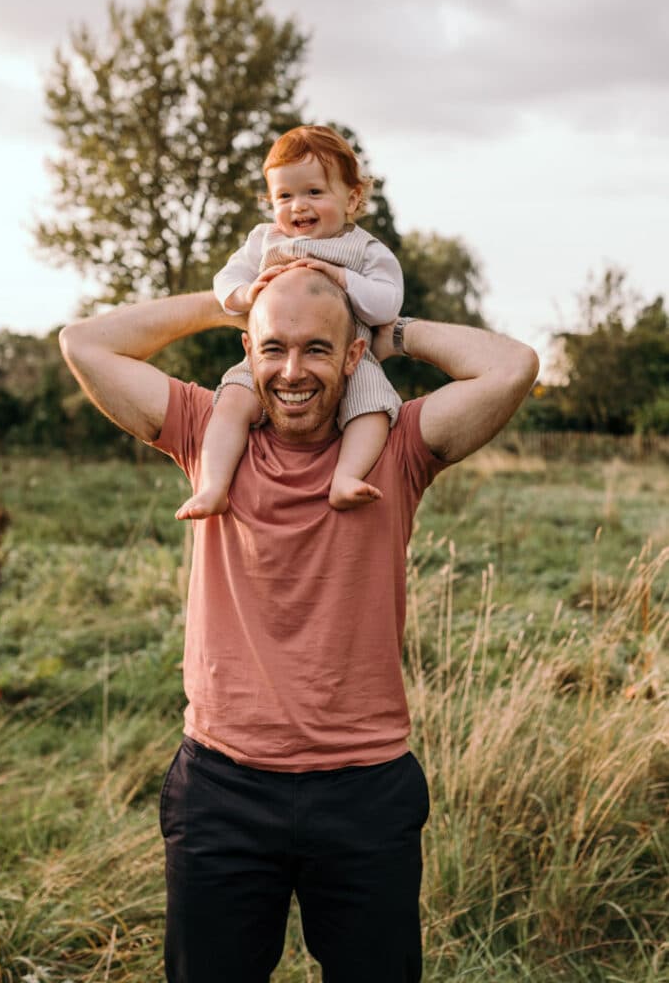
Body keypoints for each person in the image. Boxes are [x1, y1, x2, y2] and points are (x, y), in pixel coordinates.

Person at [59, 265, 538, 983]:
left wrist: (392, 329)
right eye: (271, 349)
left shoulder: (396, 444)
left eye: (317, 349)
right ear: (249, 356)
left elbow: (512, 367)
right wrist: (238, 305)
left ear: (352, 358)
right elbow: (85, 342)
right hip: (223, 787)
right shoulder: (205, 431)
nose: (291, 371)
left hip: (364, 792)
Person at [174, 125, 404, 519]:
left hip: (350, 357)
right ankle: (213, 486)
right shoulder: (264, 240)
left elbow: (387, 303)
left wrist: (342, 277)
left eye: (314, 192)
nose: (298, 206)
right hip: (269, 357)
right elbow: (225, 279)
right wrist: (245, 295)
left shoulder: (364, 250)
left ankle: (347, 476)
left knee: (373, 407)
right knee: (230, 402)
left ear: (352, 198)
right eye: (285, 196)